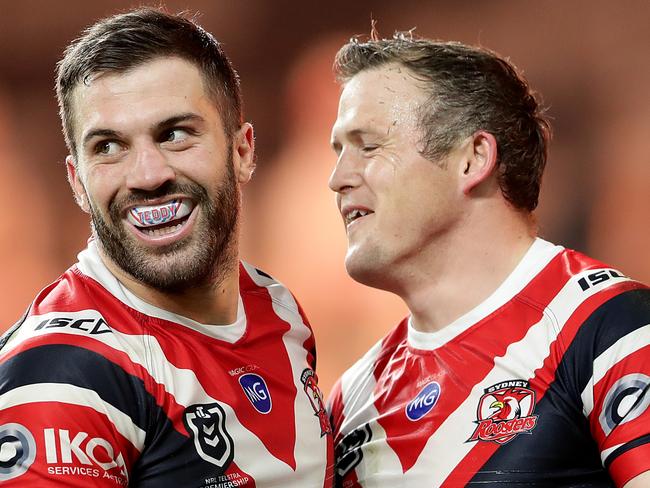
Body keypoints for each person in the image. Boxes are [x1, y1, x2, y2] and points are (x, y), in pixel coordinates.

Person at [0, 8, 333, 487]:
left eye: (175, 134)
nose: (148, 176)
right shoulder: (66, 373)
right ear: (77, 182)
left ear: (242, 151)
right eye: (109, 147)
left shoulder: (277, 310)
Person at [326, 32, 650, 487]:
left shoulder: (610, 330)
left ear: (473, 158)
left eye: (369, 146)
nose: (337, 178)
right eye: (339, 151)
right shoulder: (352, 400)